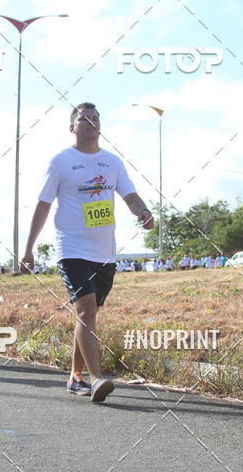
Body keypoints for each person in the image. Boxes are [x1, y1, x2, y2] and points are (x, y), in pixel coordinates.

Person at [21, 102, 154, 403]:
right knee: (86, 310)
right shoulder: (60, 161)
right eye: (85, 119)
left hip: (104, 252)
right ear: (72, 128)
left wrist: (143, 211)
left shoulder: (112, 162)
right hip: (71, 247)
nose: (92, 123)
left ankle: (75, 376)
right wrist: (28, 249)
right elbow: (43, 205)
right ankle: (96, 379)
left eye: (96, 119)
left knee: (88, 316)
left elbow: (129, 194)